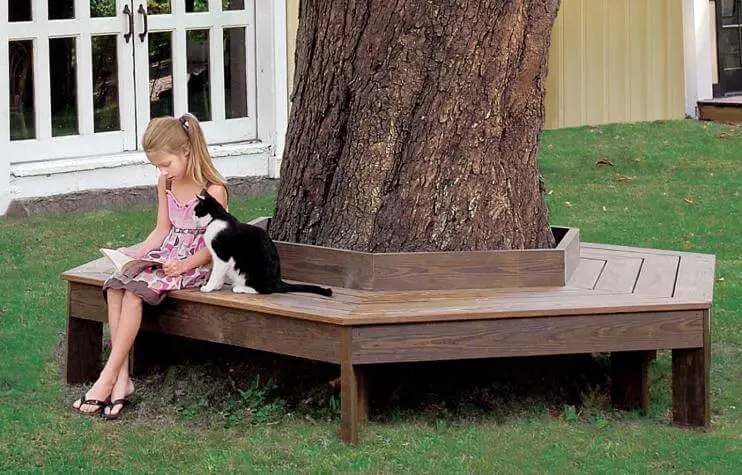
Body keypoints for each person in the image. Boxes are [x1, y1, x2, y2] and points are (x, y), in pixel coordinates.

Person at [71, 113, 228, 419]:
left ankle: (107, 379)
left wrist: (184, 265)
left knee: (133, 293)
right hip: (166, 258)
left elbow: (215, 245)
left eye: (165, 163)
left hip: (194, 266)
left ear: (187, 151)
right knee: (117, 285)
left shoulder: (214, 189)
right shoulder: (165, 183)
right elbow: (160, 230)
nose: (162, 170)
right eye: (157, 165)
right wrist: (132, 253)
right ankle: (122, 382)